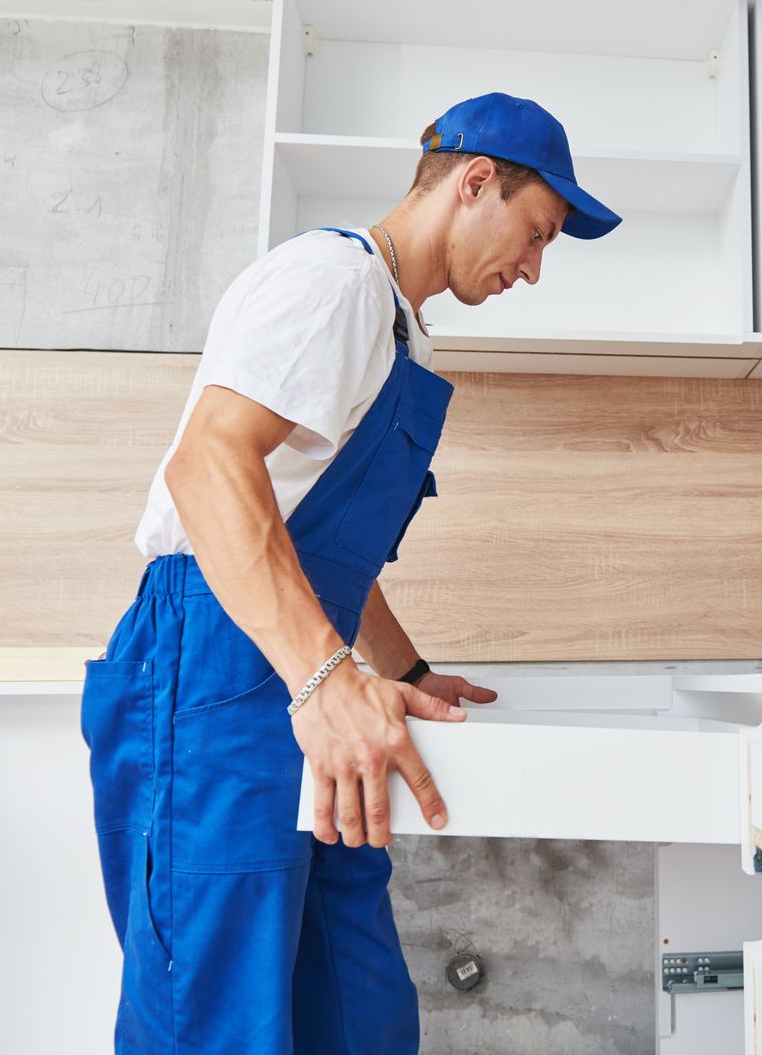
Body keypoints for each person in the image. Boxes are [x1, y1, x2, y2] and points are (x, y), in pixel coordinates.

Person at [79, 92, 622, 1053]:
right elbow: (209, 468)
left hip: (299, 665)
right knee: (216, 1014)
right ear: (476, 182)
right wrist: (325, 678)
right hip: (214, 666)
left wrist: (403, 672)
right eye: (536, 234)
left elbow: (319, 546)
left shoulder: (401, 329)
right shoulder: (334, 283)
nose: (534, 269)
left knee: (354, 1006)